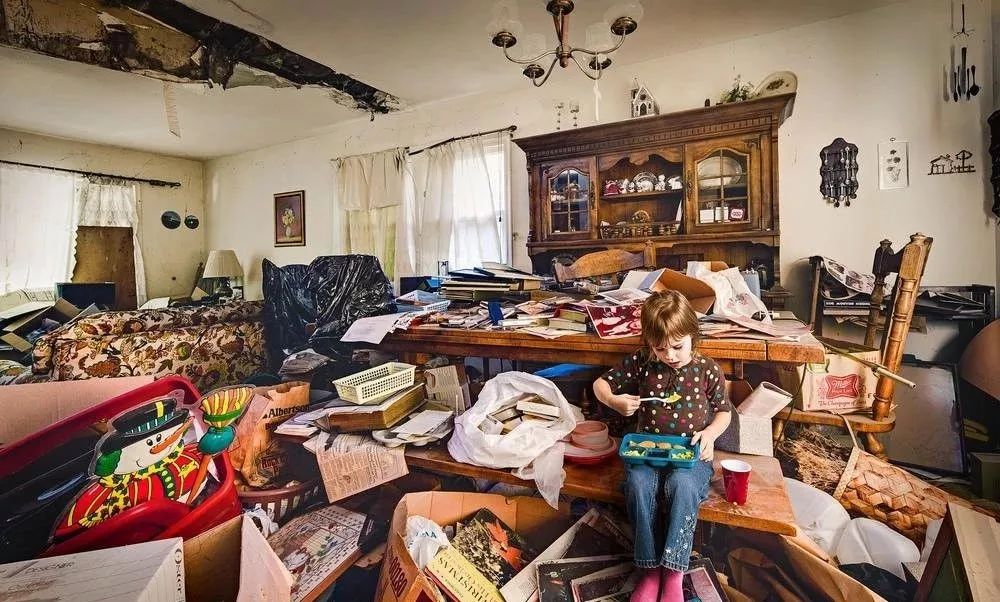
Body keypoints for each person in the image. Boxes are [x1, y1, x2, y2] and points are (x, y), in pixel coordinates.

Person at [592, 290, 732, 602]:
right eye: (660, 348)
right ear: (649, 344)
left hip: (691, 453)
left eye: (678, 346)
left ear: (693, 335)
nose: (669, 355)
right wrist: (614, 401)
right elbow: (600, 385)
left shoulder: (707, 369)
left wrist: (710, 434)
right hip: (646, 451)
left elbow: (724, 412)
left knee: (682, 486)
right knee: (638, 485)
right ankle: (649, 569)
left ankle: (673, 572)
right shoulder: (644, 362)